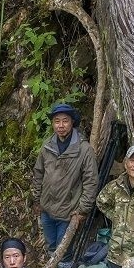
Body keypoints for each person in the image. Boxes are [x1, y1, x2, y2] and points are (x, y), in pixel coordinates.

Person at [32, 103, 99, 255]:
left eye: (65, 121)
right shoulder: (47, 146)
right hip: (47, 210)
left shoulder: (84, 149)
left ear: (72, 122)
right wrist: (37, 200)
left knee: (63, 252)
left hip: (68, 213)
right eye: (57, 121)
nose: (60, 125)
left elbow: (91, 182)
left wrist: (82, 209)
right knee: (50, 247)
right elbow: (38, 173)